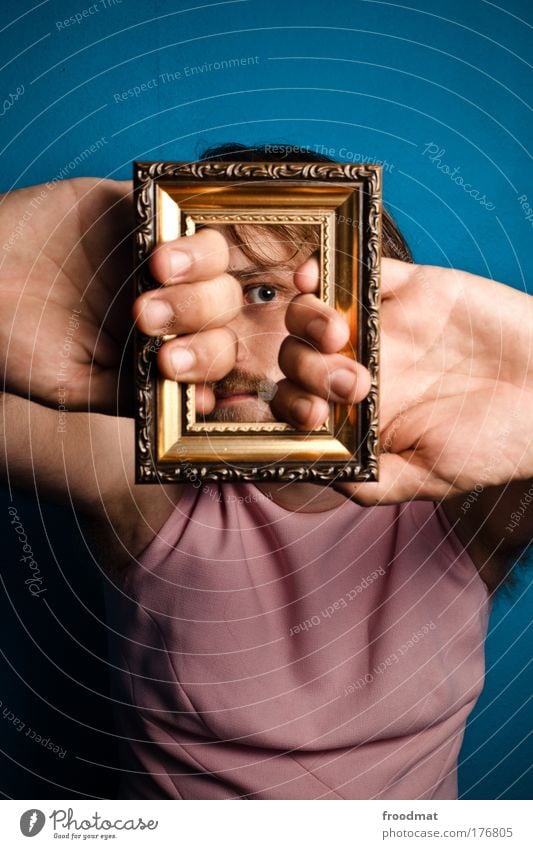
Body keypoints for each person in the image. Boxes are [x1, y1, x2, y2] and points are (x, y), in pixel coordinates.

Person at [1, 143, 532, 800]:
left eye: (259, 290)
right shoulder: (140, 475)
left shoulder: (468, 496)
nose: (215, 332)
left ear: (376, 316)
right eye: (192, 294)